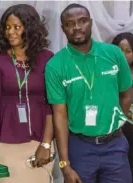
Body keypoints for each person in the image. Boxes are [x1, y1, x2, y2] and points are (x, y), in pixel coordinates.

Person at [45, 3, 132, 183]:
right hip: (80, 146)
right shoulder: (55, 65)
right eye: (70, 23)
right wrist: (65, 164)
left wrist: (116, 121)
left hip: (114, 146)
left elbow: (126, 94)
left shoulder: (113, 54)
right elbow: (59, 115)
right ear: (63, 29)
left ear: (91, 23)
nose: (77, 27)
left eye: (82, 21)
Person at [0, 4, 55, 183]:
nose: (11, 32)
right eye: (7, 27)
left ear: (30, 28)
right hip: (6, 142)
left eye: (17, 27)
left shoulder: (48, 59)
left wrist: (46, 144)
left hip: (39, 142)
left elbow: (52, 105)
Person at [112, 32, 133, 179]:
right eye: (119, 51)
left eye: (128, 51)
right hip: (117, 129)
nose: (123, 55)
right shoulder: (107, 75)